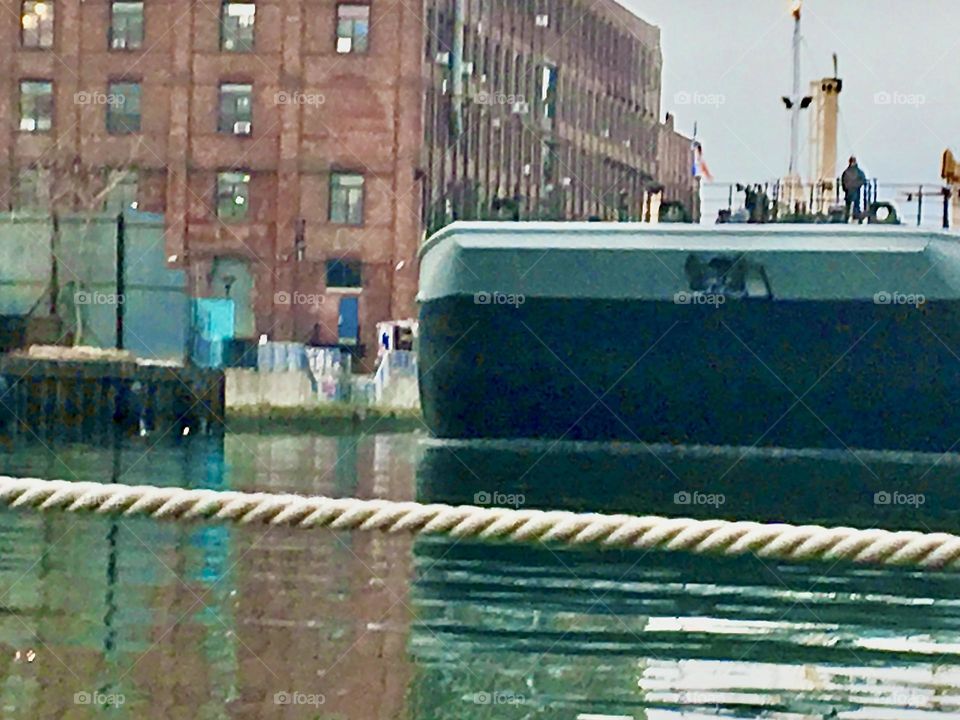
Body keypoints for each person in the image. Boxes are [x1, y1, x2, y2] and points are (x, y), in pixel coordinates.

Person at [841, 156, 867, 223]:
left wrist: (846, 187)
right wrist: (856, 185)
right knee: (854, 204)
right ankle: (855, 217)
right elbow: (863, 180)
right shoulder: (858, 172)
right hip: (854, 190)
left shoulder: (846, 172)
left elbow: (843, 181)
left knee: (850, 205)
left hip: (850, 190)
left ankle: (848, 218)